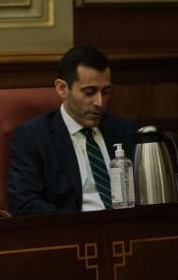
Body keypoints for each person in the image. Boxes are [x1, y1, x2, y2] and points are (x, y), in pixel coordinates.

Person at [7, 46, 137, 216]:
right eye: (89, 92)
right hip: (71, 233)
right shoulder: (34, 137)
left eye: (105, 92)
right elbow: (24, 203)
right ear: (62, 88)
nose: (99, 102)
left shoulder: (126, 131)